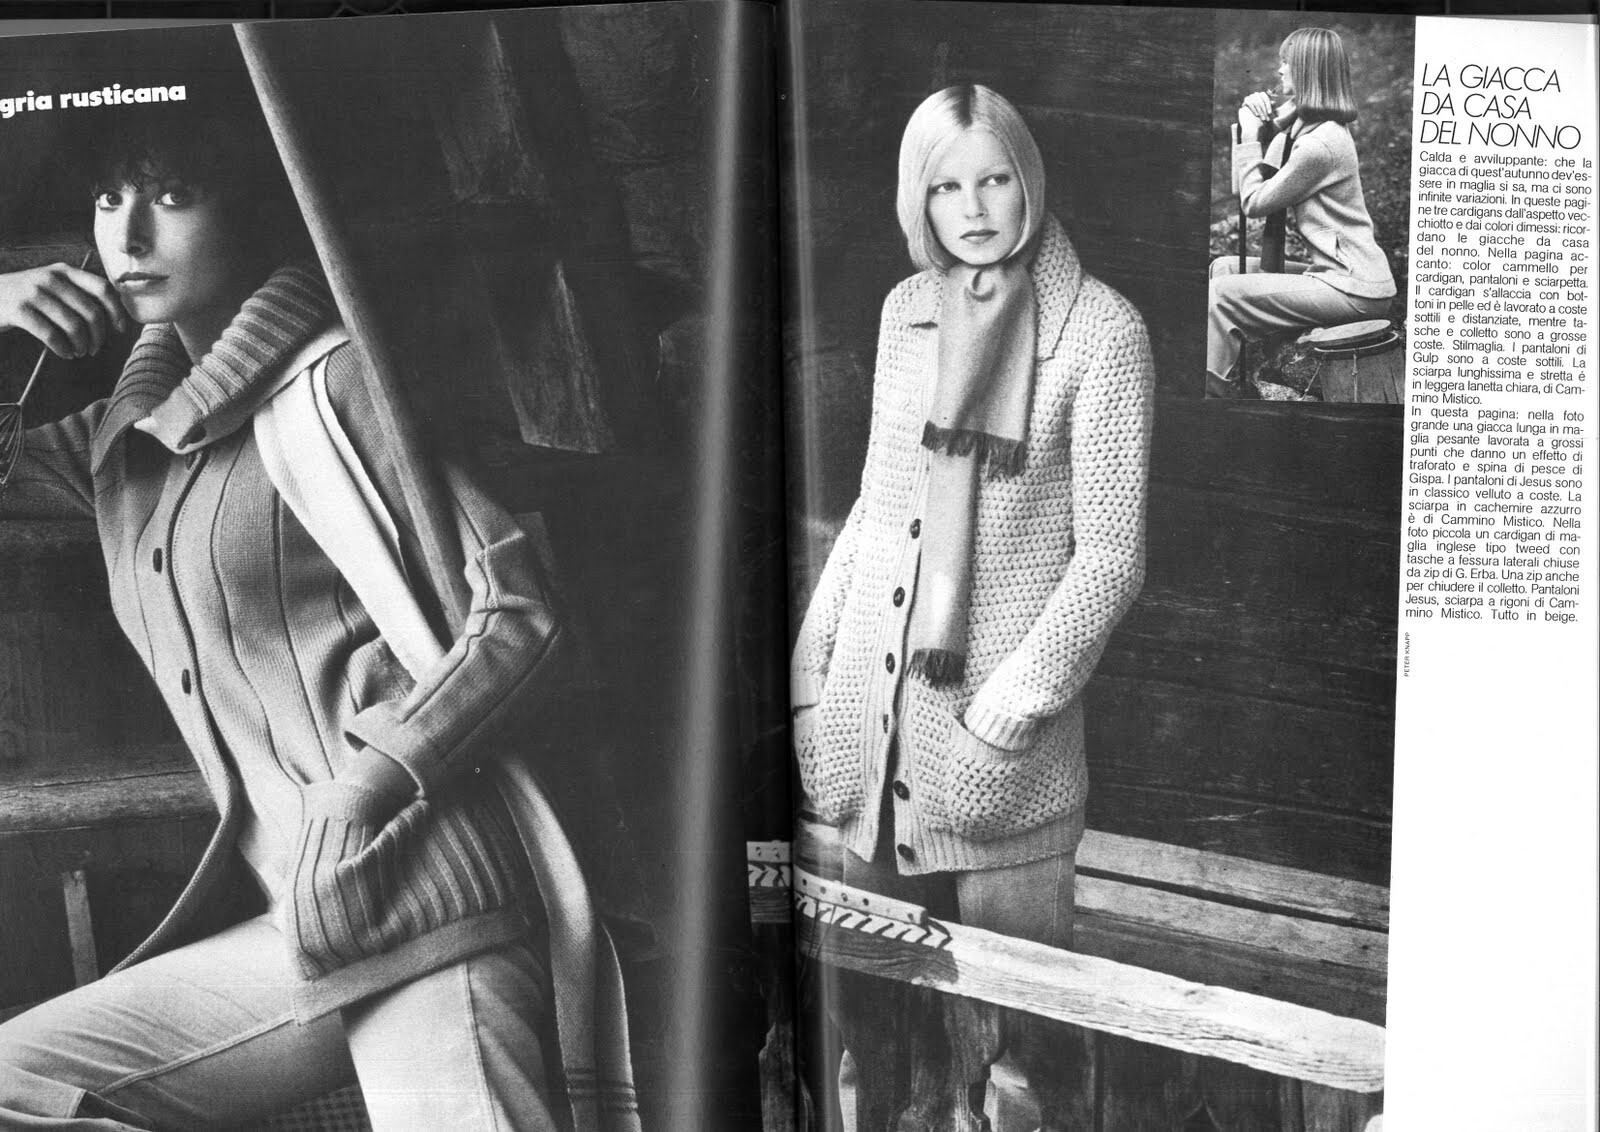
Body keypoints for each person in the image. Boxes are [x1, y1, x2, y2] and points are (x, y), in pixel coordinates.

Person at [0, 95, 626, 1130]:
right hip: (304, 923)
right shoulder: (124, 443)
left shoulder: (338, 382)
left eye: (173, 196)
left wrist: (365, 787)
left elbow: (519, 610)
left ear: (249, 209)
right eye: (109, 198)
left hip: (428, 897)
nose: (130, 234)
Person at [790, 84, 1153, 1131]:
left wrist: (1010, 708)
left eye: (994, 179)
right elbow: (875, 511)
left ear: (1028, 178)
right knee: (874, 1051)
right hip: (875, 750)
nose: (976, 208)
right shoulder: (905, 314)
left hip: (1002, 767)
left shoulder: (1103, 331)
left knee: (1019, 1068)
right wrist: (812, 675)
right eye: (947, 188)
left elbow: (1111, 559)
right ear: (919, 200)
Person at [1207, 27, 1397, 399]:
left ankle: (1213, 395)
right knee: (1225, 269)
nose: (1279, 70)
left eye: (1287, 63)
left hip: (1355, 290)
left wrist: (1251, 134)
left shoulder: (1320, 144)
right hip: (1337, 276)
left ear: (1307, 72)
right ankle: (1238, 372)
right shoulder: (1305, 128)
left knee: (1223, 296)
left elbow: (1254, 203)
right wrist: (1258, 120)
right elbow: (1246, 186)